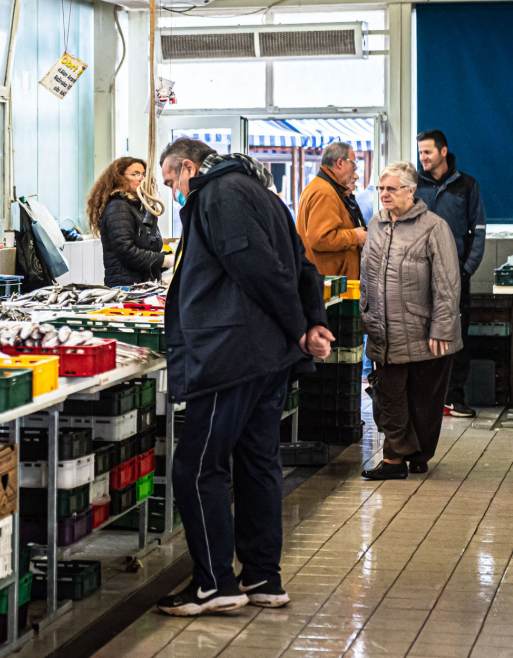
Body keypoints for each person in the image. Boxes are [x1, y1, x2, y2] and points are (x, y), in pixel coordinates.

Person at [155, 137, 332, 616]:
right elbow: (301, 266)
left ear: (188, 167)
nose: (173, 192)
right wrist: (311, 320)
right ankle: (261, 578)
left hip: (232, 354)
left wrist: (300, 329)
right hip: (263, 354)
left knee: (195, 468)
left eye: (172, 180)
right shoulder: (262, 194)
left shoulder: (219, 195)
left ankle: (215, 584)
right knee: (257, 462)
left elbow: (258, 269)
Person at [361, 162, 461, 481]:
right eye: (381, 188)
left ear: (411, 190)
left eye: (392, 188)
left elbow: (446, 282)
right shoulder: (376, 224)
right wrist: (366, 312)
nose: (385, 194)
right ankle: (394, 459)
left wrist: (442, 328)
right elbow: (367, 274)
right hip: (383, 328)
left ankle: (417, 455)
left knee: (424, 400)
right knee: (389, 395)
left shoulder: (434, 227)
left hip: (422, 328)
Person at [415, 129, 486, 419]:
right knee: (419, 336)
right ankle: (423, 399)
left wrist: (466, 271)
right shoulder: (413, 185)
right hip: (418, 276)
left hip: (455, 276)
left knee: (456, 337)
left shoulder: (466, 185)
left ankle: (454, 399)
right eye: (420, 153)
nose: (423, 158)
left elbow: (479, 231)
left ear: (443, 152)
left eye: (428, 152)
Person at [86, 157, 173, 287]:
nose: (141, 178)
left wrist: (167, 260)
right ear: (119, 178)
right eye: (135, 174)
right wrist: (164, 260)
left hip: (142, 285)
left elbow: (147, 248)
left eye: (143, 174)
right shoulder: (118, 206)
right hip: (125, 287)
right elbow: (127, 252)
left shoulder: (141, 208)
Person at [295, 141, 367, 280]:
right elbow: (320, 239)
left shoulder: (325, 188)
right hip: (329, 287)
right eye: (353, 162)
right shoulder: (325, 192)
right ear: (340, 163)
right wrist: (355, 237)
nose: (356, 169)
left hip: (327, 281)